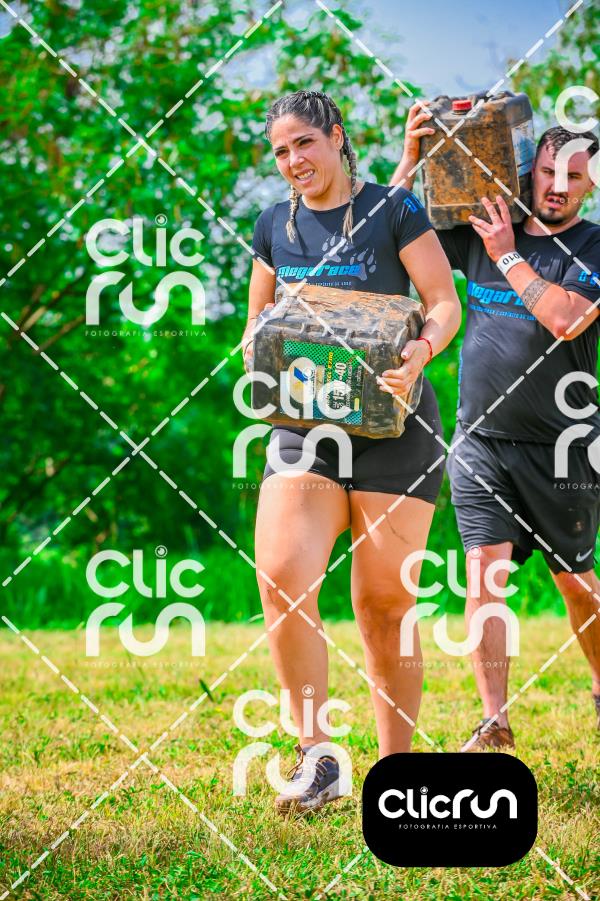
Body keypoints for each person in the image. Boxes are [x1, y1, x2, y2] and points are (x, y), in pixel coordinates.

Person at [241, 89, 461, 814]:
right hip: (306, 429)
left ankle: (397, 771)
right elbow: (257, 322)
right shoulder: (272, 226)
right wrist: (255, 349)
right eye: (280, 150)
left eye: (304, 142)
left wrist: (422, 350)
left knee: (382, 605)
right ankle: (317, 756)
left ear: (336, 137)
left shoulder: (393, 210)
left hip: (396, 429)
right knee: (280, 574)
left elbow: (443, 301)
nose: (293, 160)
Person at [391, 103, 600, 751]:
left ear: (591, 183)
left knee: (577, 584)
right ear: (528, 168)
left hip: (565, 448)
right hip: (479, 439)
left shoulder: (592, 247)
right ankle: (494, 722)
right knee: (484, 573)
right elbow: (389, 231)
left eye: (574, 176)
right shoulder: (483, 224)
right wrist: (411, 158)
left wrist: (507, 256)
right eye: (548, 171)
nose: (558, 186)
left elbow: (566, 318)